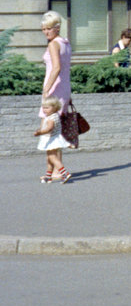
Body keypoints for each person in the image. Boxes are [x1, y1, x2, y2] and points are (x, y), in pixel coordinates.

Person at [39, 11, 72, 182]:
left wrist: (46, 89)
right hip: (64, 89)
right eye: (44, 29)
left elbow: (56, 68)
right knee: (55, 132)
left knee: (48, 133)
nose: (46, 32)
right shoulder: (65, 43)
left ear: (57, 28)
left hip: (54, 91)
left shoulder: (53, 44)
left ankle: (58, 171)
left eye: (49, 28)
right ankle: (51, 172)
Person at [34, 97, 71, 183]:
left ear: (55, 107)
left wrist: (39, 132)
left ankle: (64, 173)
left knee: (52, 157)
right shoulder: (54, 115)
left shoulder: (51, 118)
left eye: (47, 108)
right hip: (52, 138)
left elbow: (49, 129)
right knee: (49, 157)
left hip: (51, 139)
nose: (44, 110)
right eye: (43, 108)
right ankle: (48, 176)